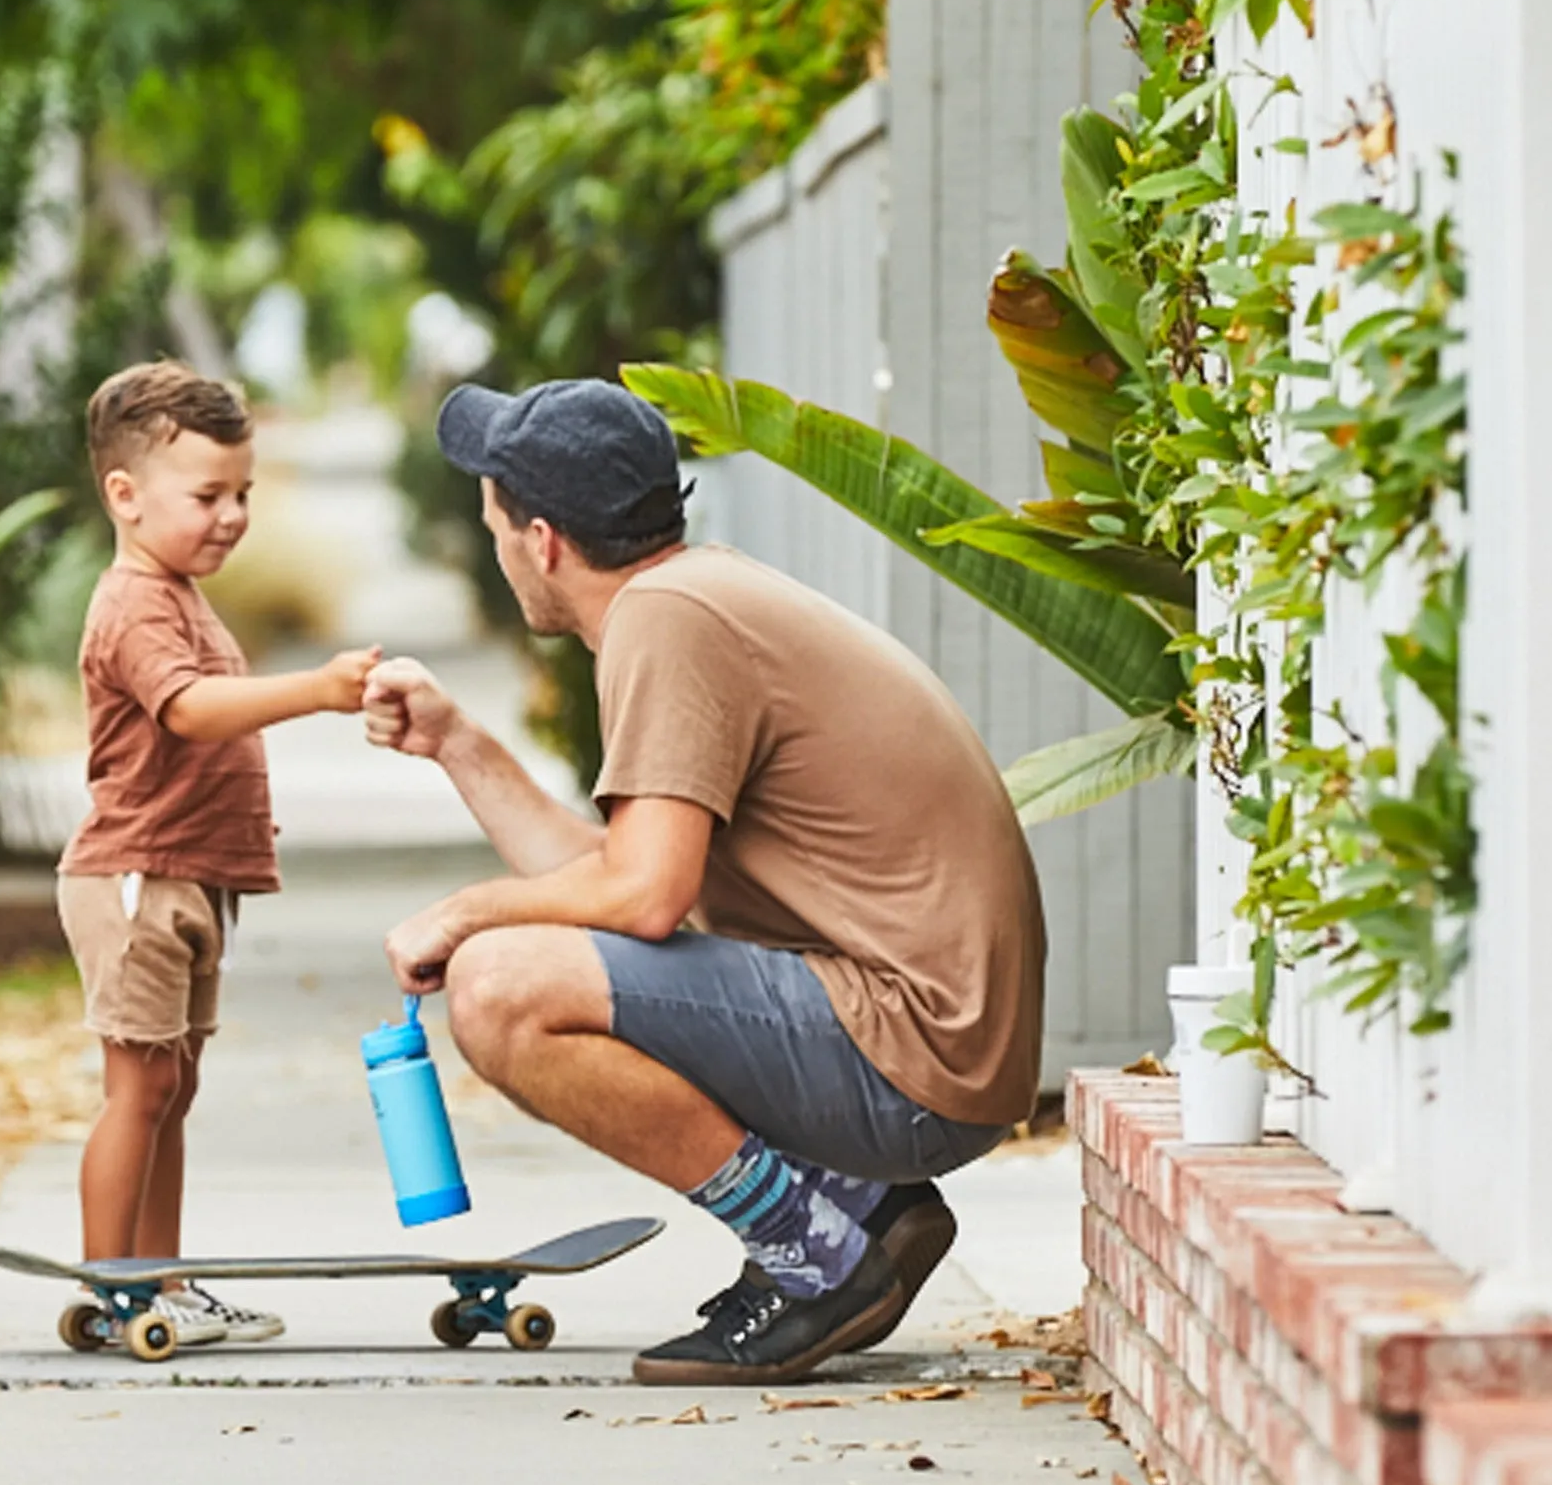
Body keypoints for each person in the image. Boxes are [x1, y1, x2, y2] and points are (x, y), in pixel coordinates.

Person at [364, 378, 1046, 1385]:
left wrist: (464, 914)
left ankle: (816, 1263)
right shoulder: (694, 595)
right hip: (919, 1036)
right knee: (522, 963)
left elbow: (639, 899)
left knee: (498, 987)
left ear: (541, 540)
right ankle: (857, 1209)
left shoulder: (665, 621)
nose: (496, 539)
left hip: (914, 1054)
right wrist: (457, 744)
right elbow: (613, 894)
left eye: (495, 519)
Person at [57, 362, 380, 1348]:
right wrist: (318, 690)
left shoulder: (182, 593)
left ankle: (164, 1280)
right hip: (136, 876)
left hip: (187, 876)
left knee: (172, 1086)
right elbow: (190, 711)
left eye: (241, 492)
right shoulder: (135, 603)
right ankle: (115, 1288)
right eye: (207, 495)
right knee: (139, 1086)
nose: (232, 515)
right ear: (125, 495)